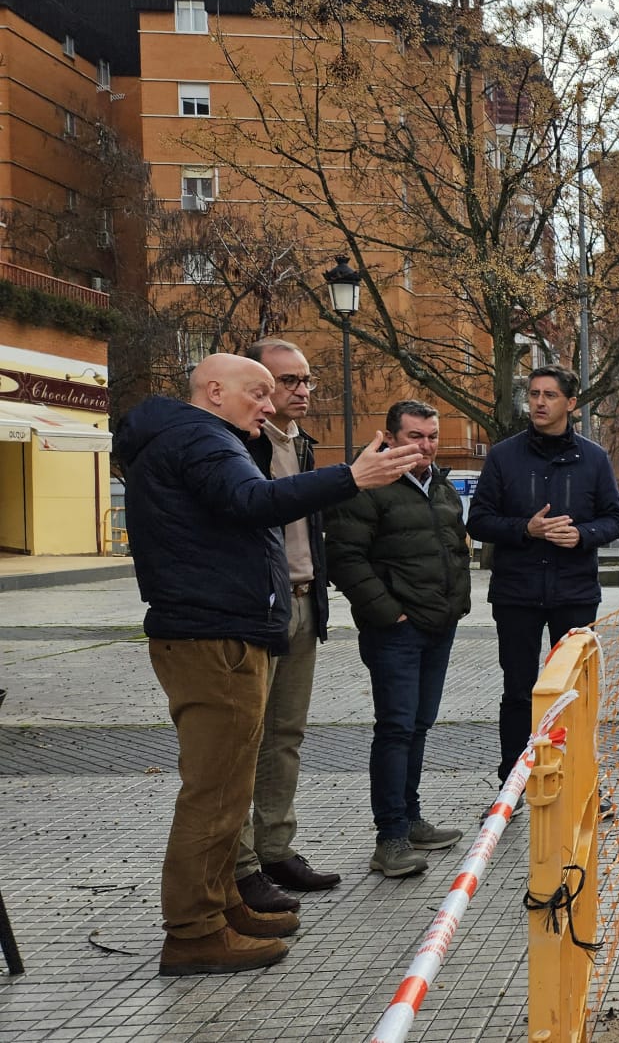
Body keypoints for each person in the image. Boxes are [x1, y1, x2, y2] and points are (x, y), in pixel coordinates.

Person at [115, 354, 424, 976]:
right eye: (257, 392)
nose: (267, 403)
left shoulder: (198, 436)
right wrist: (350, 477)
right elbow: (251, 501)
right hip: (214, 634)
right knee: (216, 790)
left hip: (219, 629)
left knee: (230, 786)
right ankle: (195, 930)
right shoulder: (200, 437)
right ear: (213, 390)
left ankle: (224, 904)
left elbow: (238, 508)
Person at [325, 401, 472, 879]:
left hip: (438, 627)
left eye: (431, 436)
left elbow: (456, 548)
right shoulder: (367, 486)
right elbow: (345, 558)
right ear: (388, 437)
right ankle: (389, 837)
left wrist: (457, 605)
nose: (424, 445)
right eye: (414, 436)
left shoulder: (442, 487)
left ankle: (410, 819)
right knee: (395, 728)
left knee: (419, 725)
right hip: (397, 633)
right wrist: (391, 614)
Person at [467, 366, 619, 785]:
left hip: (574, 592)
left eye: (549, 395)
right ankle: (513, 784)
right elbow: (479, 521)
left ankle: (579, 782)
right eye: (534, 394)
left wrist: (581, 535)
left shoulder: (593, 457)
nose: (538, 402)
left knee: (576, 694)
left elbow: (616, 519)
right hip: (516, 593)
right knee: (518, 692)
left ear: (571, 403)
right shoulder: (504, 455)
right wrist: (525, 528)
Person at [231, 339, 340, 916]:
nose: (301, 390)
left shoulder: (302, 445)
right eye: (287, 381)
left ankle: (275, 848)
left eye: (306, 379)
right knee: (245, 740)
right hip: (259, 608)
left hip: (303, 601)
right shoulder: (241, 446)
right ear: (259, 388)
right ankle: (241, 864)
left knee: (285, 736)